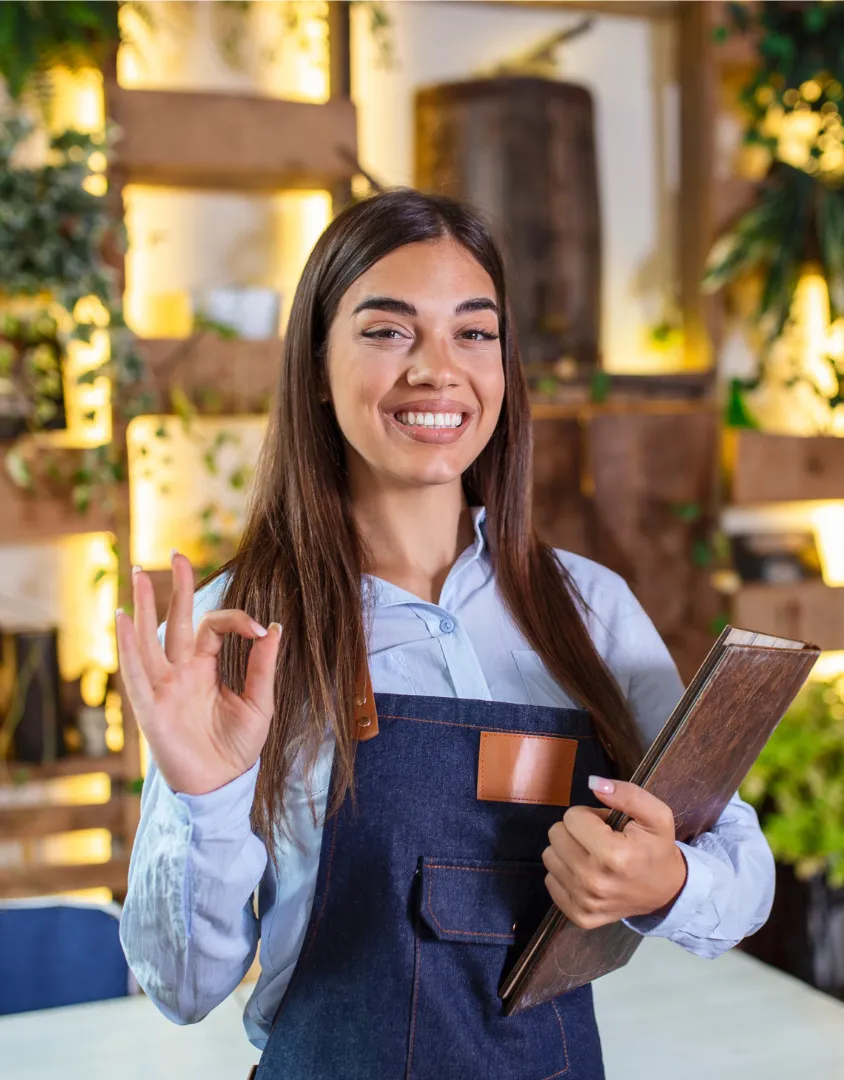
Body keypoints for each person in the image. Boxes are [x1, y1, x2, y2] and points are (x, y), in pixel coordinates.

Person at [117, 188, 775, 1079]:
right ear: (316, 365)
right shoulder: (238, 631)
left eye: (474, 332)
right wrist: (203, 798)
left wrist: (668, 885)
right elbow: (181, 987)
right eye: (388, 331)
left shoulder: (587, 609)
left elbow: (743, 864)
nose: (438, 369)